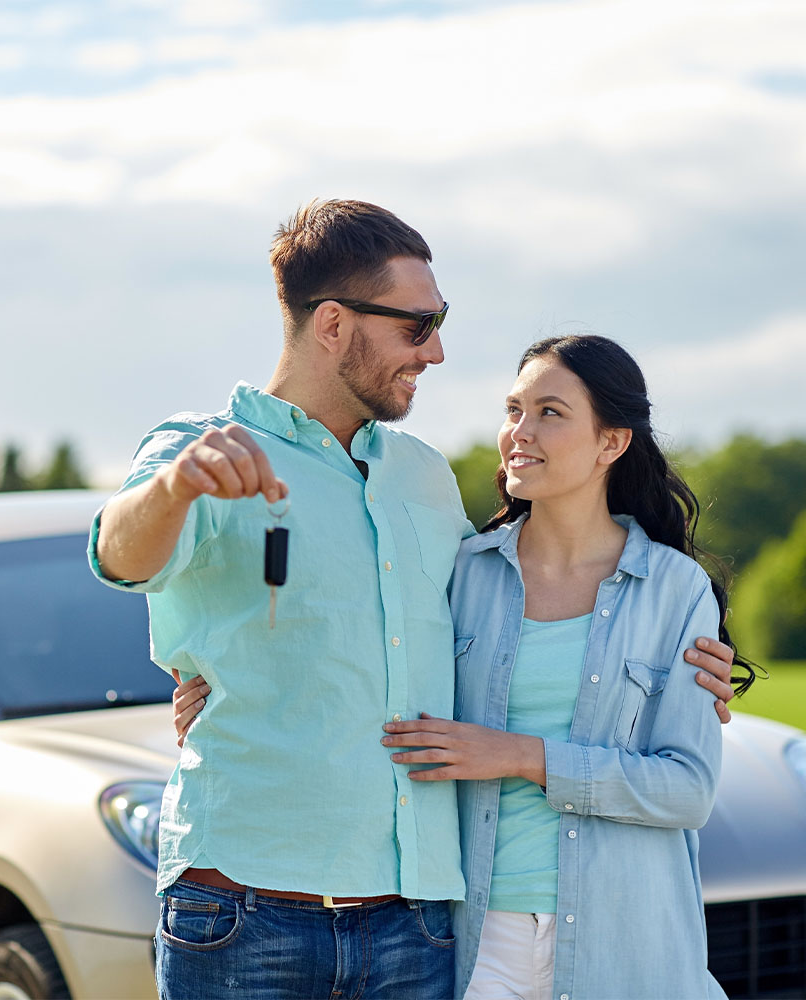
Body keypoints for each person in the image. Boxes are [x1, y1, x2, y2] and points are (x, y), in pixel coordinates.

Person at [92, 199, 736, 1000]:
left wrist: (694, 668)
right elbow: (119, 555)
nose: (436, 351)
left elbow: (480, 630)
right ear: (333, 324)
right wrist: (175, 489)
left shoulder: (425, 478)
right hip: (245, 911)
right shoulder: (202, 447)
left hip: (417, 924)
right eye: (417, 324)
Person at [380, 334, 752, 999]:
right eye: (513, 409)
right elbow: (369, 664)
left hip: (629, 941)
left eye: (550, 412)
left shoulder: (675, 590)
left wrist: (523, 756)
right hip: (477, 943)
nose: (519, 432)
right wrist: (214, 684)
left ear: (612, 442)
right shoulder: (462, 573)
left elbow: (688, 789)